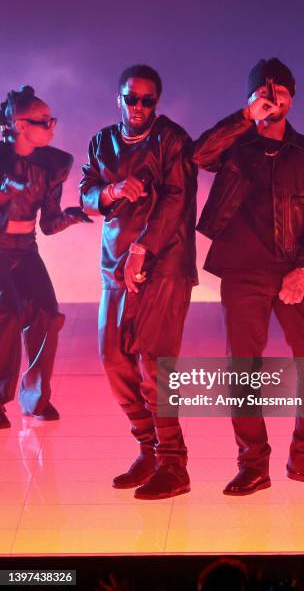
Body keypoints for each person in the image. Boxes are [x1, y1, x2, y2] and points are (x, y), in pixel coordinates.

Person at [193, 58, 304, 495]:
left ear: (293, 97)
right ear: (250, 98)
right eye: (264, 92)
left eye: (281, 91)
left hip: (294, 270)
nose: (274, 98)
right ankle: (252, 464)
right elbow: (198, 154)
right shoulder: (234, 148)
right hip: (241, 270)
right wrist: (246, 117)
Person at [79, 64, 197, 500]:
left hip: (164, 261)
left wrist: (143, 249)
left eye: (148, 100)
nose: (140, 107)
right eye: (132, 98)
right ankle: (147, 450)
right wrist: (111, 192)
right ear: (120, 99)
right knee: (113, 358)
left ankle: (173, 463)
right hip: (115, 261)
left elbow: (177, 201)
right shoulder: (102, 141)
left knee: (155, 362)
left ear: (157, 102)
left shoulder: (173, 140)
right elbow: (87, 192)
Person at [0, 85, 91, 429]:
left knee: (47, 315)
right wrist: (7, 191)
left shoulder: (53, 163)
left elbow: (49, 224)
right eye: (43, 121)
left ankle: (36, 397)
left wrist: (71, 215)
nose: (52, 127)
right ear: (20, 124)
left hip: (25, 249)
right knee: (5, 312)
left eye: (52, 119)